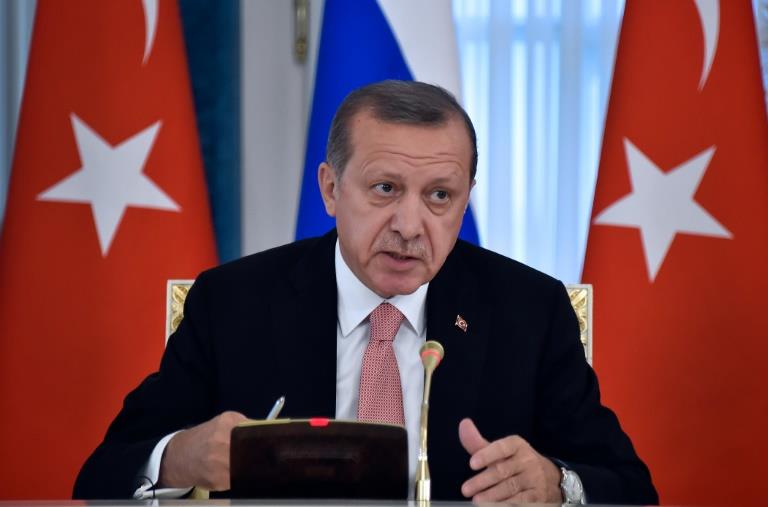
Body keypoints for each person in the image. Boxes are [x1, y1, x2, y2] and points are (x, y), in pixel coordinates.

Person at [74, 80, 657, 504]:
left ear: (465, 200)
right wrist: (178, 457)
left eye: (439, 196)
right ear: (331, 189)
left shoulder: (528, 311)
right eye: (385, 188)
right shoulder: (233, 304)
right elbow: (100, 476)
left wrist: (556, 485)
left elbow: (630, 486)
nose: (410, 225)